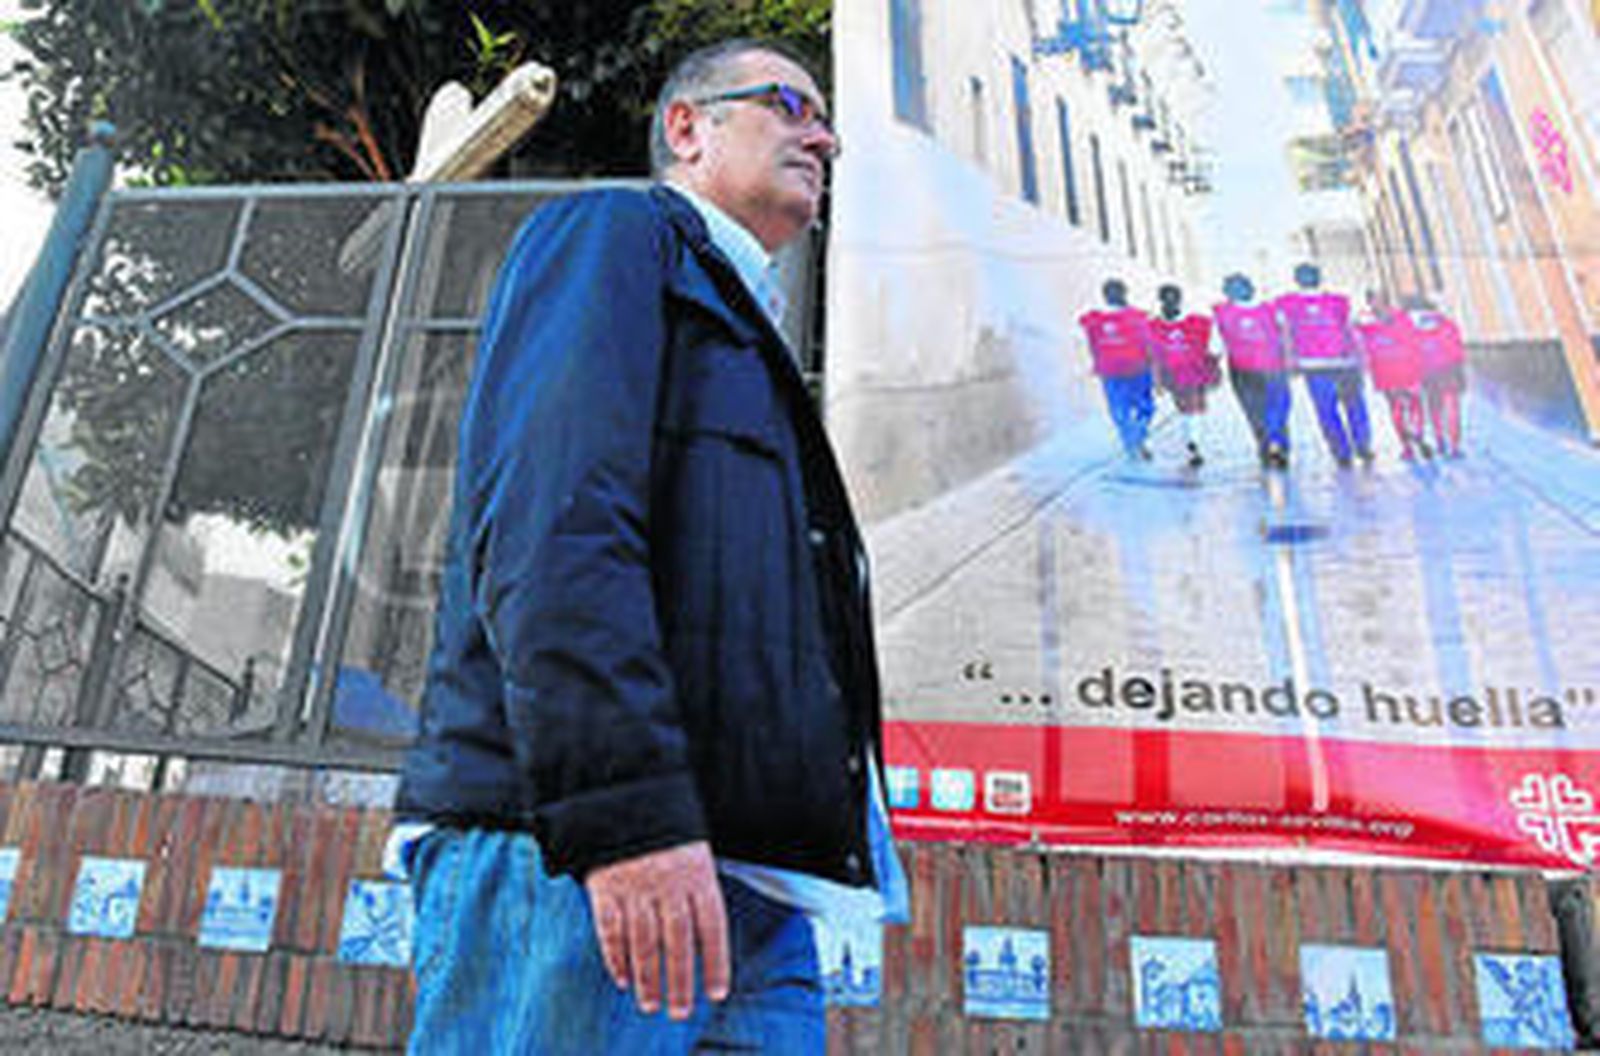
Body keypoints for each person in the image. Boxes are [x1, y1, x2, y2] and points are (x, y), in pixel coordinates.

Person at [392, 39, 906, 1054]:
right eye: (789, 104)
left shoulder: (740, 324)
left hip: (749, 890)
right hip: (582, 859)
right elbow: (554, 524)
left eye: (825, 117)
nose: (825, 134)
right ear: (687, 129)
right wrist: (624, 818)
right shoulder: (616, 235)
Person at [1274, 262, 1373, 468]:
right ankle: (1356, 447)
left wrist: (1289, 359)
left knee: (1330, 409)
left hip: (1327, 363)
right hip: (1333, 362)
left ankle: (1347, 450)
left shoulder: (1288, 303)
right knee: (1346, 406)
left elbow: (1351, 328)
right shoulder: (1335, 300)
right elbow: (1353, 329)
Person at [1213, 273, 1292, 469]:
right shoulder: (1270, 310)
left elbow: (1215, 348)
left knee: (1259, 411)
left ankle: (1270, 446)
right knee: (1272, 408)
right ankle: (1275, 445)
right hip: (1259, 368)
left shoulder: (1222, 312)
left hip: (1253, 369)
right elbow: (1286, 337)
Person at [1079, 279, 1156, 460]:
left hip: (1125, 371)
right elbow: (1149, 345)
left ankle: (1134, 441)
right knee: (1137, 409)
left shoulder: (1096, 319)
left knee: (1125, 410)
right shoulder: (1136, 316)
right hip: (1127, 371)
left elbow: (1149, 344)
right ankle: (1135, 442)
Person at [1149, 283, 1219, 469]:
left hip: (1196, 372)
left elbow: (1214, 349)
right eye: (1167, 298)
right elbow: (1152, 355)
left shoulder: (1199, 322)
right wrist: (1156, 380)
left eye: (1174, 298)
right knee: (1186, 409)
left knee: (1194, 409)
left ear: (1180, 300)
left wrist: (1214, 370)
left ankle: (1193, 444)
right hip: (1173, 376)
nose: (1171, 302)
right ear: (1161, 300)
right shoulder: (1153, 325)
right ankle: (1192, 444)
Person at [1355, 290, 1429, 460]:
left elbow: (1413, 341)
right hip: (1386, 371)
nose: (1377, 304)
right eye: (1374, 300)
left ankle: (1417, 435)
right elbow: (1361, 342)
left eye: (1380, 300)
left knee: (1412, 404)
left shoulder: (1399, 317)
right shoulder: (1368, 321)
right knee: (1397, 406)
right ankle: (1407, 444)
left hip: (1404, 368)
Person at [1405, 294, 1467, 458]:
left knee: (1435, 408)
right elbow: (1458, 349)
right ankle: (1454, 445)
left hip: (1427, 372)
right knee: (1452, 407)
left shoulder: (1411, 327)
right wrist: (1460, 371)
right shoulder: (1446, 323)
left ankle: (1440, 441)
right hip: (1449, 370)